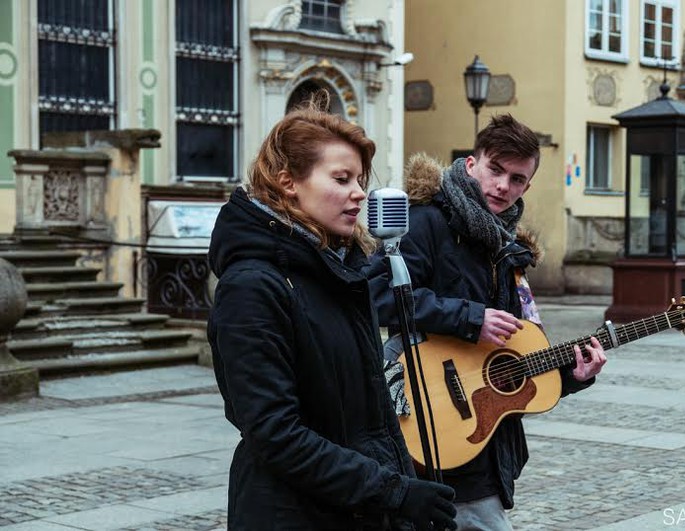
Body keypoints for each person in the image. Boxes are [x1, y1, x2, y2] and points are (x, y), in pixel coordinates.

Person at [207, 98, 457, 531]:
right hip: (293, 514)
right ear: (288, 181)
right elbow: (275, 434)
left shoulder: (340, 270)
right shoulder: (252, 286)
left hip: (358, 509)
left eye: (360, 179)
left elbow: (371, 414)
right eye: (341, 179)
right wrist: (392, 492)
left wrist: (402, 492)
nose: (360, 192)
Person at [366, 114, 607, 530]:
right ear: (472, 163)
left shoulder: (509, 247)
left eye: (516, 179)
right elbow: (379, 296)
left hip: (483, 444)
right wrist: (470, 318)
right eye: (495, 169)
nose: (502, 186)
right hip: (428, 425)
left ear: (527, 186)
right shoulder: (425, 221)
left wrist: (571, 375)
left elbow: (514, 360)